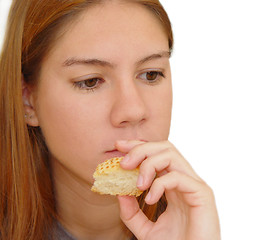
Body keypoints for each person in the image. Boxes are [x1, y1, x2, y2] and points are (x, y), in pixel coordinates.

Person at [0, 0, 220, 239]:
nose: (133, 110)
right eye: (90, 81)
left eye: (150, 74)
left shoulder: (193, 226)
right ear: (28, 100)